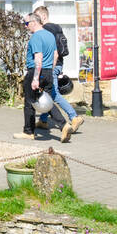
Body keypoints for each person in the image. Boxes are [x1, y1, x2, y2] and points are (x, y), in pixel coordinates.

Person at [15, 13, 70, 142]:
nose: (26, 26)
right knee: (48, 102)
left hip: (36, 72)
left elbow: (38, 58)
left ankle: (28, 132)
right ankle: (64, 125)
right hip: (48, 72)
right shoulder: (50, 35)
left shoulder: (36, 37)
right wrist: (49, 71)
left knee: (30, 102)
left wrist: (35, 78)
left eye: (27, 24)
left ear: (34, 22)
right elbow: (55, 55)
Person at [34, 4, 85, 141]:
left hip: (50, 65)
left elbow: (51, 52)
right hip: (59, 64)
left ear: (43, 16)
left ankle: (74, 117)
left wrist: (49, 69)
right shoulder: (57, 27)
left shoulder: (45, 29)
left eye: (37, 17)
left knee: (54, 94)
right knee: (46, 92)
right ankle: (44, 121)